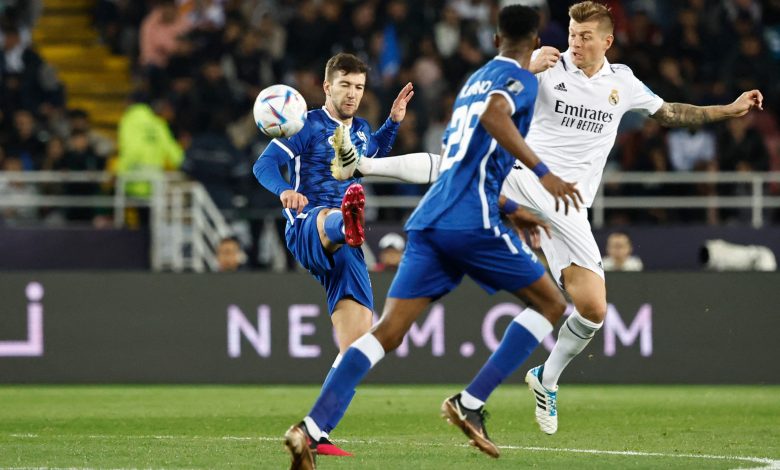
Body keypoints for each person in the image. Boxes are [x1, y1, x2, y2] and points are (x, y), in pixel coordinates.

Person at [341, 0, 764, 437]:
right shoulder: (547, 66)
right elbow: (490, 90)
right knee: (458, 163)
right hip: (525, 176)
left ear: (607, 41)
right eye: (571, 33)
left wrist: (727, 111)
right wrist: (525, 65)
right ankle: (364, 166)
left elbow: (673, 113)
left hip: (569, 207)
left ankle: (546, 378)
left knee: (594, 309)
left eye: (584, 36)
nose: (574, 43)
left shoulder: (623, 82)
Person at [285, 6, 583, 467]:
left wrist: (512, 209)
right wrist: (544, 176)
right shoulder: (519, 80)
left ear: (496, 35)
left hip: (431, 217)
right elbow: (495, 118)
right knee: (552, 305)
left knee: (386, 332)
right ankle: (470, 402)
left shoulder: (474, 81)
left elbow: (455, 161)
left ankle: (312, 427)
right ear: (535, 37)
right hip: (471, 219)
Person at [253, 52, 414, 459]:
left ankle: (317, 432)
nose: (352, 94)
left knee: (358, 346)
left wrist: (392, 122)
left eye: (358, 87)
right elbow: (264, 165)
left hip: (348, 248)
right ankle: (347, 221)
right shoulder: (304, 124)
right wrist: (284, 191)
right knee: (331, 214)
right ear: (327, 86)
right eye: (344, 85)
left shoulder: (359, 128)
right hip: (309, 225)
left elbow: (372, 153)